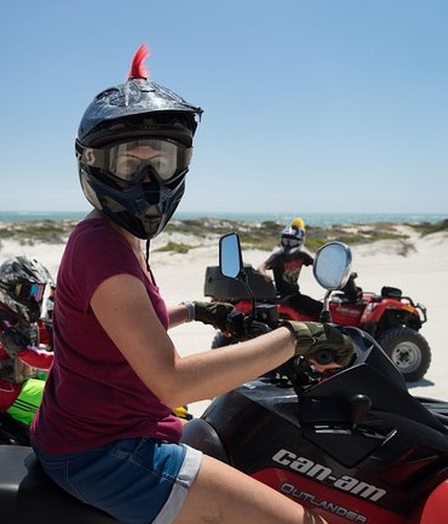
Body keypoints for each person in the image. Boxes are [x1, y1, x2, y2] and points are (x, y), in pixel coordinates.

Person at [30, 44, 355, 524]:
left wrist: (198, 311)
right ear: (94, 164)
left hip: (97, 433)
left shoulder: (115, 236)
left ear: (181, 163)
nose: (146, 179)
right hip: (105, 452)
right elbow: (172, 381)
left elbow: (124, 327)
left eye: (159, 162)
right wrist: (295, 339)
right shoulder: (102, 246)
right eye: (128, 163)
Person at [0, 255, 54, 426]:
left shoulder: (18, 318)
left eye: (37, 292)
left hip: (26, 382)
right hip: (9, 395)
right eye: (27, 291)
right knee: (69, 398)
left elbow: (46, 336)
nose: (34, 298)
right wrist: (67, 359)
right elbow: (29, 355)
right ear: (8, 290)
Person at [257, 217, 324, 318]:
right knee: (320, 309)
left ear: (299, 242)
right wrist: (264, 274)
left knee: (321, 308)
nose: (288, 244)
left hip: (294, 294)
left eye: (292, 242)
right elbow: (261, 267)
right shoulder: (278, 256)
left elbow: (317, 265)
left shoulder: (302, 255)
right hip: (282, 296)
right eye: (286, 240)